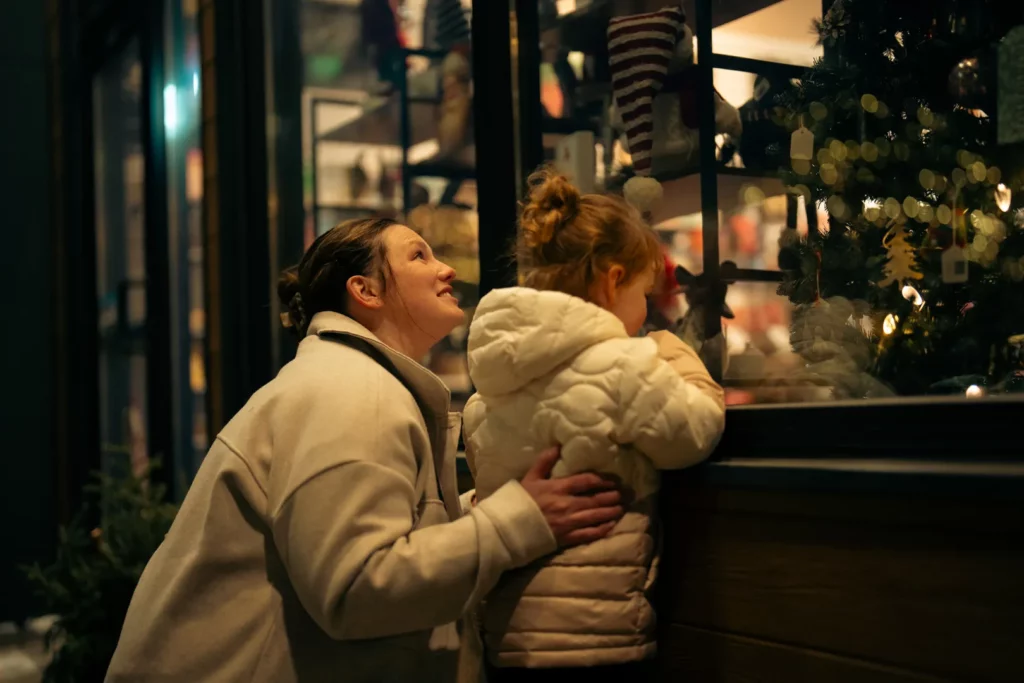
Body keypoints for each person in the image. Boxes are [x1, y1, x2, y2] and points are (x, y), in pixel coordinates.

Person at [105, 217, 626, 683]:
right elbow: (358, 588)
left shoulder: (353, 381)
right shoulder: (350, 392)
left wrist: (486, 506)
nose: (446, 269)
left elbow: (383, 536)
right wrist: (517, 522)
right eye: (419, 255)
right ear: (365, 291)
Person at [463, 170, 727, 681]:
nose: (646, 309)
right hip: (596, 637)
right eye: (644, 292)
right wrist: (674, 352)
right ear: (612, 280)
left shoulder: (489, 391)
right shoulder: (624, 366)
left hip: (506, 635)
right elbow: (695, 432)